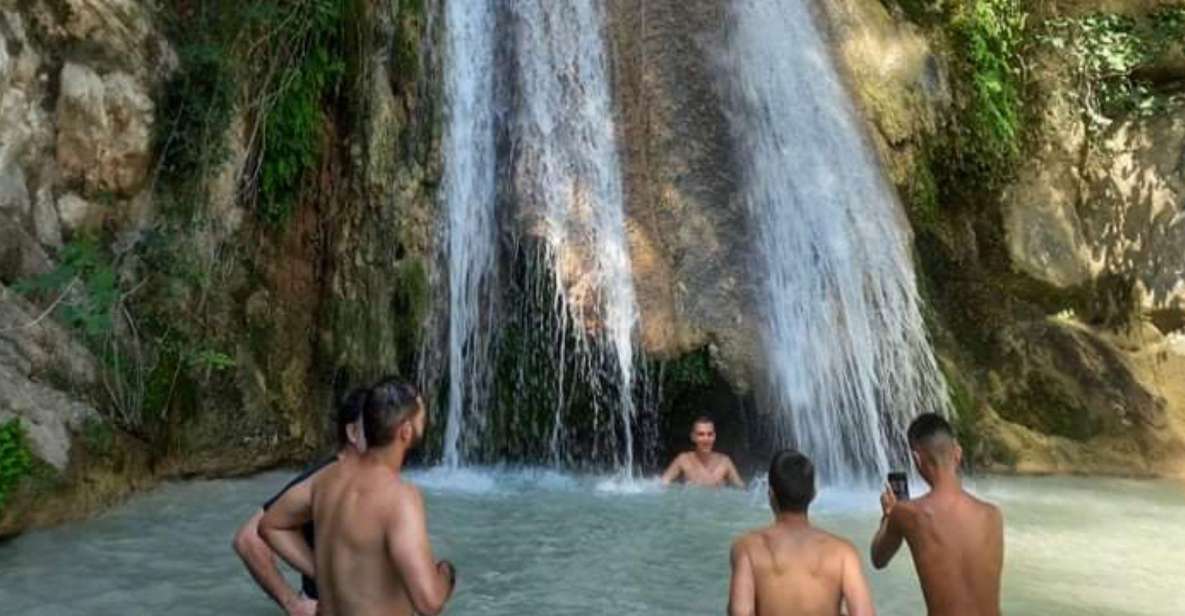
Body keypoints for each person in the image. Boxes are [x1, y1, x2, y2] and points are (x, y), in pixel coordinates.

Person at [261, 379, 456, 616]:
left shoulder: (326, 479)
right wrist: (446, 573)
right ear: (405, 431)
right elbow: (429, 602)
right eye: (422, 417)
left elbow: (271, 525)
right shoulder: (400, 497)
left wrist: (322, 571)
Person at [232, 388, 369, 616]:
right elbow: (248, 539)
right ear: (353, 432)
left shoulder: (377, 483)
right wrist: (292, 603)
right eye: (376, 425)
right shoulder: (321, 478)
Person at [870, 413, 1004, 616]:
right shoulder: (992, 515)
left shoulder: (907, 513)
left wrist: (888, 515)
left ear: (917, 458)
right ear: (957, 453)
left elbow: (878, 559)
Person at [728, 450, 875, 616]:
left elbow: (740, 612)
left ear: (771, 494)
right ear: (813, 494)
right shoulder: (844, 552)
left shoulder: (747, 547)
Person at [661, 416, 745, 488]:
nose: (706, 439)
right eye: (701, 434)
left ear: (714, 436)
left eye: (709, 434)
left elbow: (741, 489)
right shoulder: (683, 460)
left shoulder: (724, 462)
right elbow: (662, 484)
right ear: (693, 437)